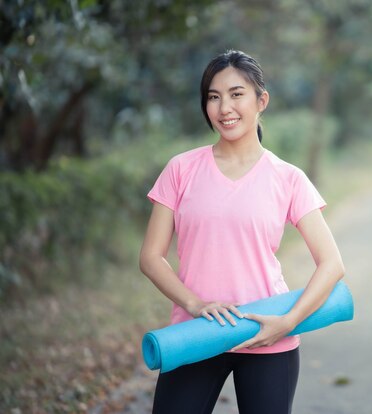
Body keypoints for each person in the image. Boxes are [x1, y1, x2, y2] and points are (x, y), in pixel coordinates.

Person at [139, 50, 345, 414]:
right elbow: (151, 258)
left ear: (260, 100)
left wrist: (288, 321)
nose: (224, 108)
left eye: (236, 94)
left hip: (269, 336)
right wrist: (194, 304)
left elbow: (331, 264)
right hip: (196, 334)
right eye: (214, 97)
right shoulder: (181, 169)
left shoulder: (288, 178)